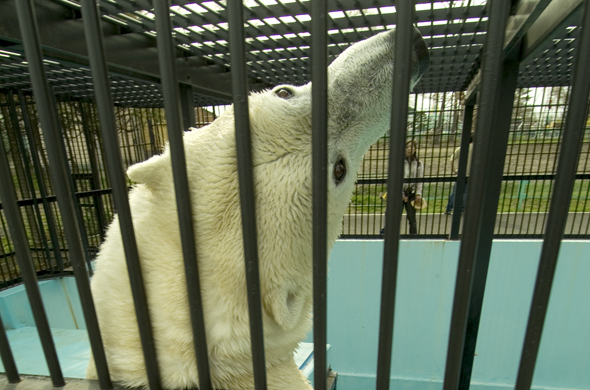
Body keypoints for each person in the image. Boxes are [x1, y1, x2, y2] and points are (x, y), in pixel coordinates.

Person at [380, 140, 424, 235]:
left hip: (411, 193)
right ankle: (391, 235)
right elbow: (396, 178)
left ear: (415, 149)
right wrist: (401, 194)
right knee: (395, 216)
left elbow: (419, 180)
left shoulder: (419, 163)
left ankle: (413, 237)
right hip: (399, 192)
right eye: (407, 147)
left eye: (411, 147)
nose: (409, 149)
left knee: (412, 218)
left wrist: (418, 194)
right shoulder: (399, 162)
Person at [445, 135, 473, 215]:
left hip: (461, 174)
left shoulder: (461, 148)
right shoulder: (477, 149)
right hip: (471, 175)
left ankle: (448, 209)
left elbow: (452, 159)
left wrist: (454, 170)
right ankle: (462, 209)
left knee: (455, 192)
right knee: (466, 192)